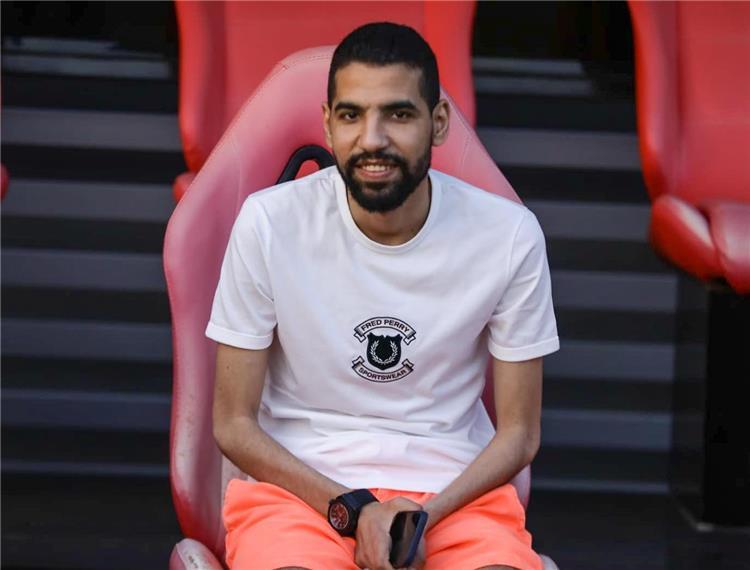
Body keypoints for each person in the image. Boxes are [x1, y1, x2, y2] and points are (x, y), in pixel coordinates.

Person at [207, 22, 559, 570]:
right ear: (328, 124)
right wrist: (354, 511)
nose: (372, 139)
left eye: (397, 114)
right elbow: (233, 424)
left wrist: (419, 522)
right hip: (300, 495)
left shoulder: (509, 236)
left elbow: (520, 434)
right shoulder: (269, 224)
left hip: (455, 498)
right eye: (351, 115)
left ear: (438, 122)